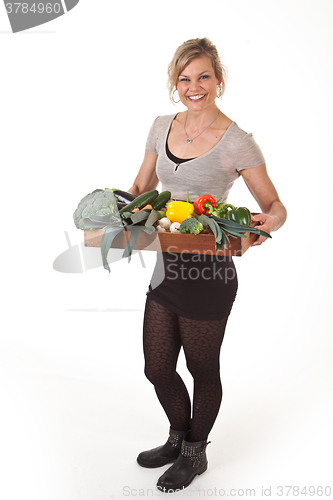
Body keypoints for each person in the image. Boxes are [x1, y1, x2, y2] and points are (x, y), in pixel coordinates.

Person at [127, 38, 287, 493]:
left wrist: (263, 225)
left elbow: (275, 205)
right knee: (156, 367)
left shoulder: (238, 142)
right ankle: (177, 437)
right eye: (184, 78)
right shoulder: (161, 126)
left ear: (218, 80)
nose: (194, 86)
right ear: (174, 83)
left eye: (203, 77)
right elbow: (140, 185)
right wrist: (121, 213)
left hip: (210, 270)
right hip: (166, 266)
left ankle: (195, 451)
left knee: (202, 368)